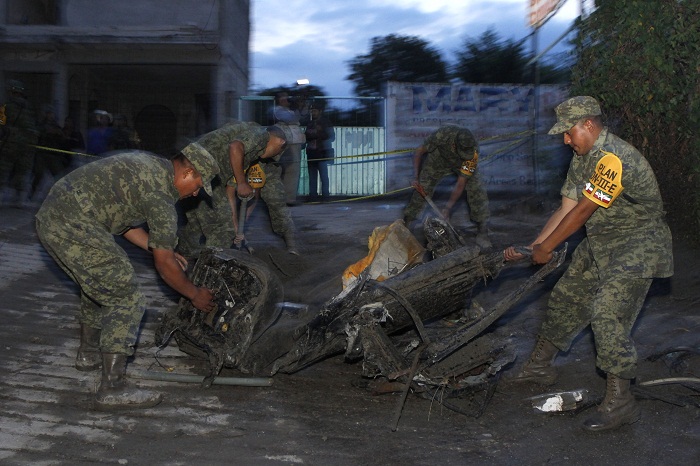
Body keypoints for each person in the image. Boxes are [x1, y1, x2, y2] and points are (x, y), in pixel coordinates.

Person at [504, 96, 673, 432]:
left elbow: (583, 212)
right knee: (566, 297)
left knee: (607, 312)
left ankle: (621, 403)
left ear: (589, 125)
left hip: (638, 242)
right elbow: (566, 208)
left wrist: (548, 247)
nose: (565, 140)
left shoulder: (614, 157)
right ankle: (540, 367)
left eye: (568, 133)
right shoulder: (582, 159)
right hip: (603, 241)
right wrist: (536, 246)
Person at [35, 142, 220, 410]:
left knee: (101, 281)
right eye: (198, 186)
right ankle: (113, 388)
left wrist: (159, 246)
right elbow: (164, 266)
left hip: (54, 215)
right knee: (126, 296)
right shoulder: (162, 197)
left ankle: (89, 354)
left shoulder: (151, 166)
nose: (195, 194)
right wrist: (194, 294)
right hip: (73, 223)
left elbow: (123, 224)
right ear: (188, 172)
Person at [177, 121, 299, 256]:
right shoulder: (261, 135)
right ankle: (216, 270)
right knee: (222, 229)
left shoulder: (249, 150)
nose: (272, 157)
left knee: (197, 224)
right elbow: (235, 146)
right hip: (199, 172)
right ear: (281, 142)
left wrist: (236, 225)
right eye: (277, 153)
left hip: (190, 170)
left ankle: (182, 259)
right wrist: (242, 183)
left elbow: (233, 189)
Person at [402, 125, 491, 248]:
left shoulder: (472, 153)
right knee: (422, 187)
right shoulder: (442, 135)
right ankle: (407, 225)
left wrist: (448, 208)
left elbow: (461, 183)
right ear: (454, 145)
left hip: (460, 165)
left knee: (476, 188)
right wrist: (415, 177)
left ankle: (482, 231)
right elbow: (419, 152)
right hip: (438, 160)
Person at [0, 80, 38, 207]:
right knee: (23, 171)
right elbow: (32, 127)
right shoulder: (28, 107)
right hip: (26, 145)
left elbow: (1, 124)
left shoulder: (5, 107)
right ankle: (21, 198)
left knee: (4, 169)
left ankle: (6, 196)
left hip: (10, 144)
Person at [31, 105, 71, 201]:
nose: (50, 116)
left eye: (51, 114)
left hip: (53, 154)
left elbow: (62, 140)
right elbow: (37, 135)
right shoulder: (40, 125)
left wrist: (59, 135)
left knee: (59, 175)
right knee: (38, 174)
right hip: (42, 153)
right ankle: (32, 192)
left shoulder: (56, 126)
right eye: (49, 114)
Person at [273, 91, 307, 205]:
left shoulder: (289, 110)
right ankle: (287, 198)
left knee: (293, 170)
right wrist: (298, 107)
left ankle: (289, 196)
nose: (287, 99)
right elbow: (292, 119)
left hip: (294, 141)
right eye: (284, 97)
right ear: (279, 100)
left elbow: (303, 115)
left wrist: (302, 104)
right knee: (290, 170)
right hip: (289, 142)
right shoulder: (278, 110)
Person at [304, 103, 334, 201]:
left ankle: (325, 196)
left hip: (322, 152)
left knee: (323, 176)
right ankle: (313, 196)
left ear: (320, 111)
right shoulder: (310, 123)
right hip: (311, 153)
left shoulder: (326, 122)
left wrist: (320, 132)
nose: (313, 113)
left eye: (315, 111)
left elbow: (331, 137)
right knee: (312, 176)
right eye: (311, 111)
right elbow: (307, 136)